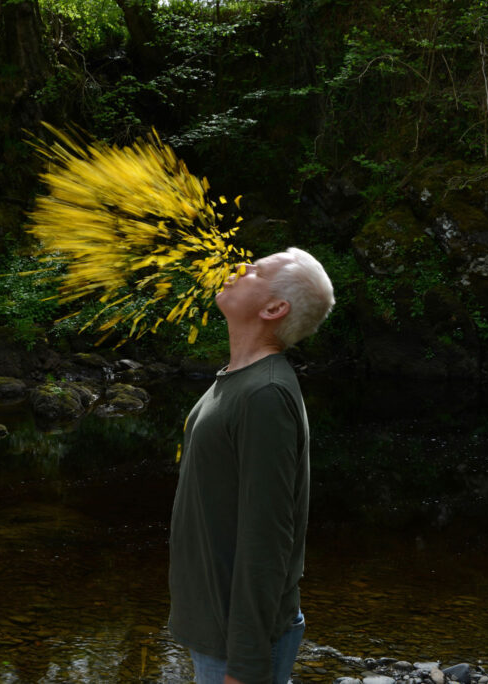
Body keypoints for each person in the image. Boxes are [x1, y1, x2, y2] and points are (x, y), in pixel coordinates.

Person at [168, 247, 335, 684]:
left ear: (274, 308)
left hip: (236, 641)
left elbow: (267, 541)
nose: (240, 268)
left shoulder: (265, 395)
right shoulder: (238, 379)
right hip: (217, 629)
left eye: (256, 270)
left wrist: (245, 665)